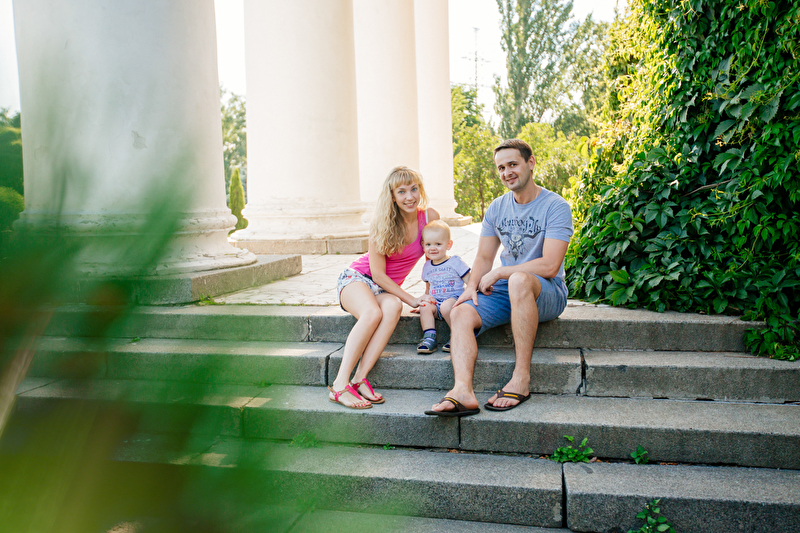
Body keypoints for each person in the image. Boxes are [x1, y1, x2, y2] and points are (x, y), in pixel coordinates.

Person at [426, 139, 573, 417]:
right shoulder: (497, 207)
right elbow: (484, 257)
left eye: (513, 164)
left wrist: (501, 271)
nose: (507, 172)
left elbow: (551, 265)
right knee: (459, 312)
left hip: (547, 291)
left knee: (518, 279)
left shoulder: (555, 206)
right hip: (508, 290)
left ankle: (521, 379)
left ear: (530, 163)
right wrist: (471, 287)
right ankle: (462, 391)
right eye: (501, 168)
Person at [331, 166, 439, 409]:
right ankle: (339, 386)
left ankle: (359, 380)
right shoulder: (382, 223)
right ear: (392, 196)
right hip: (358, 279)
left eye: (414, 189)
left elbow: (433, 259)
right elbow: (378, 275)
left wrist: (428, 296)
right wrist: (412, 299)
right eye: (402, 191)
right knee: (372, 313)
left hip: (384, 291)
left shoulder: (429, 217)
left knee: (392, 307)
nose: (409, 196)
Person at [414, 220, 471, 354]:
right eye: (428, 244)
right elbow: (428, 288)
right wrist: (424, 301)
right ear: (423, 245)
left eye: (438, 244)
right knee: (425, 306)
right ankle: (429, 338)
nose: (432, 248)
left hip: (454, 300)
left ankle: (458, 335)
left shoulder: (455, 262)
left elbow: (470, 281)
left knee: (446, 306)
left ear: (448, 245)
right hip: (436, 303)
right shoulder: (427, 266)